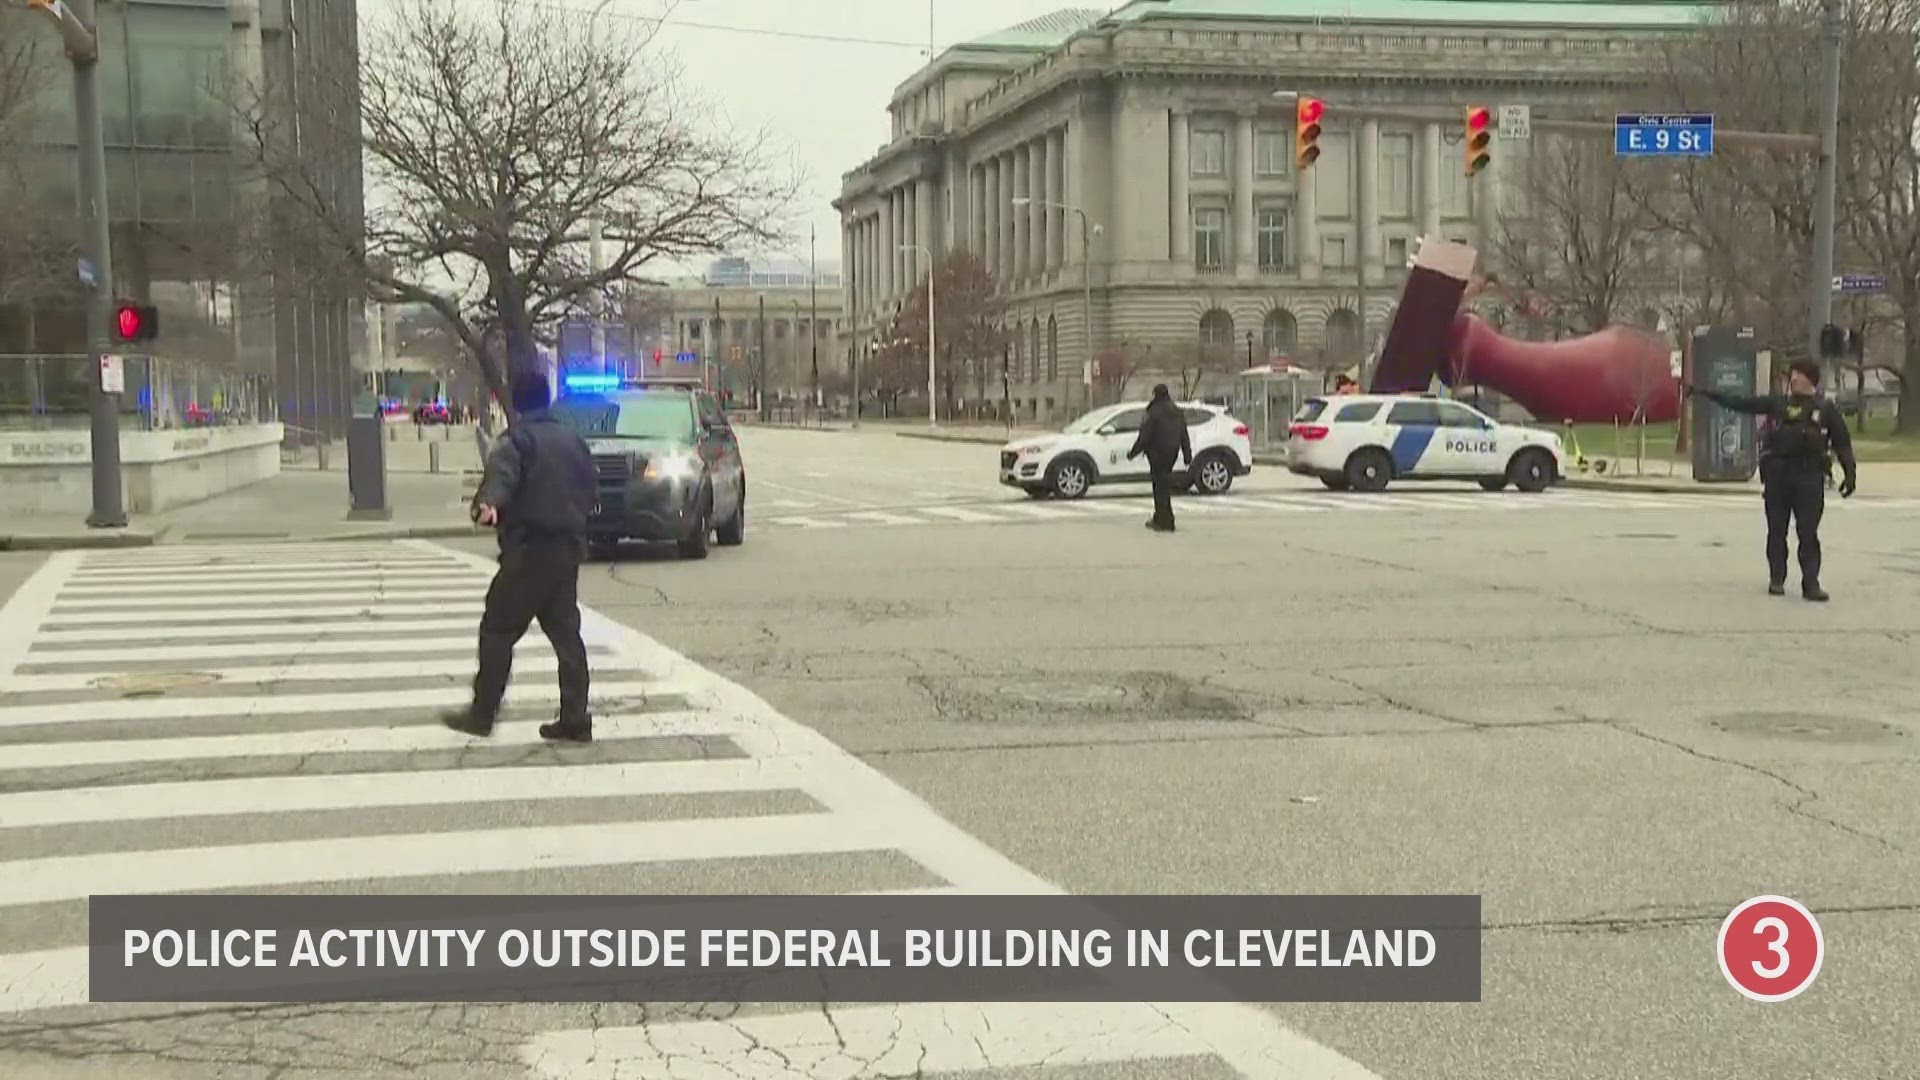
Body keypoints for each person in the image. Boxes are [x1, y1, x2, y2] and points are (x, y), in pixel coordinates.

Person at [442, 369, 600, 740]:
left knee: (497, 631)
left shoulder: (517, 440)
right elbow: (591, 490)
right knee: (567, 637)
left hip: (528, 553)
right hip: (566, 553)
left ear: (515, 400)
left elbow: (502, 479)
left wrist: (488, 505)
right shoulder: (572, 440)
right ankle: (575, 717)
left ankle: (482, 715)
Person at [1686, 358, 1857, 601]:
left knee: (1808, 533)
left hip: (1809, 478)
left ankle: (1811, 584)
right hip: (1778, 477)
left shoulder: (1826, 409)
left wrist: (1850, 473)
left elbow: (1842, 443)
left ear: (1811, 379)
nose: (1793, 378)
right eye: (1792, 374)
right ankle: (1777, 579)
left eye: (1798, 374)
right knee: (1776, 532)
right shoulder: (1778, 403)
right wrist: (1706, 393)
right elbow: (1741, 403)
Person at [1127, 384, 1191, 533]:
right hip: (1172, 453)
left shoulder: (1153, 412)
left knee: (1159, 488)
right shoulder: (1177, 411)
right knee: (1164, 485)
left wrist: (1133, 452)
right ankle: (1162, 518)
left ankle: (1165, 520)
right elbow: (1184, 434)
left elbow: (1145, 436)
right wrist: (1187, 455)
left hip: (1156, 453)